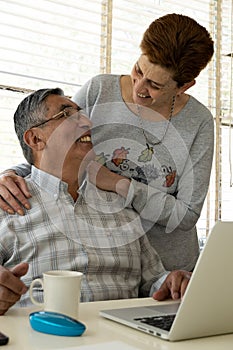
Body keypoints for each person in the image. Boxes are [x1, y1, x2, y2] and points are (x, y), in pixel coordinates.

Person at [0, 13, 214, 272]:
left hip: (167, 268)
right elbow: (52, 145)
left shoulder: (199, 122)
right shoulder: (99, 90)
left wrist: (117, 183)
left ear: (184, 86)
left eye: (155, 85)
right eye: (138, 70)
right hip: (103, 256)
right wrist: (10, 175)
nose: (139, 88)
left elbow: (187, 215)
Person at [0, 88, 191, 316]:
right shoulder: (7, 204)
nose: (86, 121)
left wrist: (174, 283)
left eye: (81, 112)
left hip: (125, 339)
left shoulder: (120, 205)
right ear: (35, 138)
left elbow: (154, 281)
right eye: (67, 114)